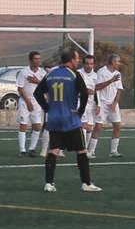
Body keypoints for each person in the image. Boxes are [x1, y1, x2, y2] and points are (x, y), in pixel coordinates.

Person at [34, 48, 102, 193]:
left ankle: (49, 183)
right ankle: (86, 183)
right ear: (71, 60)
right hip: (70, 118)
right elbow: (85, 93)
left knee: (53, 150)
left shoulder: (50, 74)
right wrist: (80, 111)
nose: (78, 61)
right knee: (82, 150)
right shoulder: (74, 74)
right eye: (76, 59)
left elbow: (37, 93)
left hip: (54, 118)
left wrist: (47, 108)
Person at [93, 54, 124, 157]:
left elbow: (119, 90)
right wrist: (111, 80)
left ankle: (113, 151)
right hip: (102, 103)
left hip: (113, 104)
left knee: (117, 126)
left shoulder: (118, 74)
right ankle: (91, 151)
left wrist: (115, 102)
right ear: (113, 62)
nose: (119, 63)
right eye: (118, 61)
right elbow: (97, 87)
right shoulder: (101, 72)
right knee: (98, 127)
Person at [16, 51, 46, 157]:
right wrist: (28, 102)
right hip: (25, 101)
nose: (38, 61)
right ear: (30, 60)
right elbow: (20, 88)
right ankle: (22, 150)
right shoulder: (24, 72)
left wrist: (37, 81)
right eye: (35, 59)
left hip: (37, 101)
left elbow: (46, 87)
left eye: (39, 59)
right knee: (23, 125)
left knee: (37, 126)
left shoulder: (42, 73)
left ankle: (32, 149)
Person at [77, 53, 100, 157]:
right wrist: (85, 91)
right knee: (84, 126)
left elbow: (97, 92)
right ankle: (83, 149)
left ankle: (85, 149)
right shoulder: (78, 73)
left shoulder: (96, 76)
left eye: (91, 64)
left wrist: (98, 104)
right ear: (83, 64)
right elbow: (75, 87)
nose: (89, 66)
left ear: (94, 64)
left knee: (90, 128)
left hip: (91, 104)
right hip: (80, 103)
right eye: (87, 63)